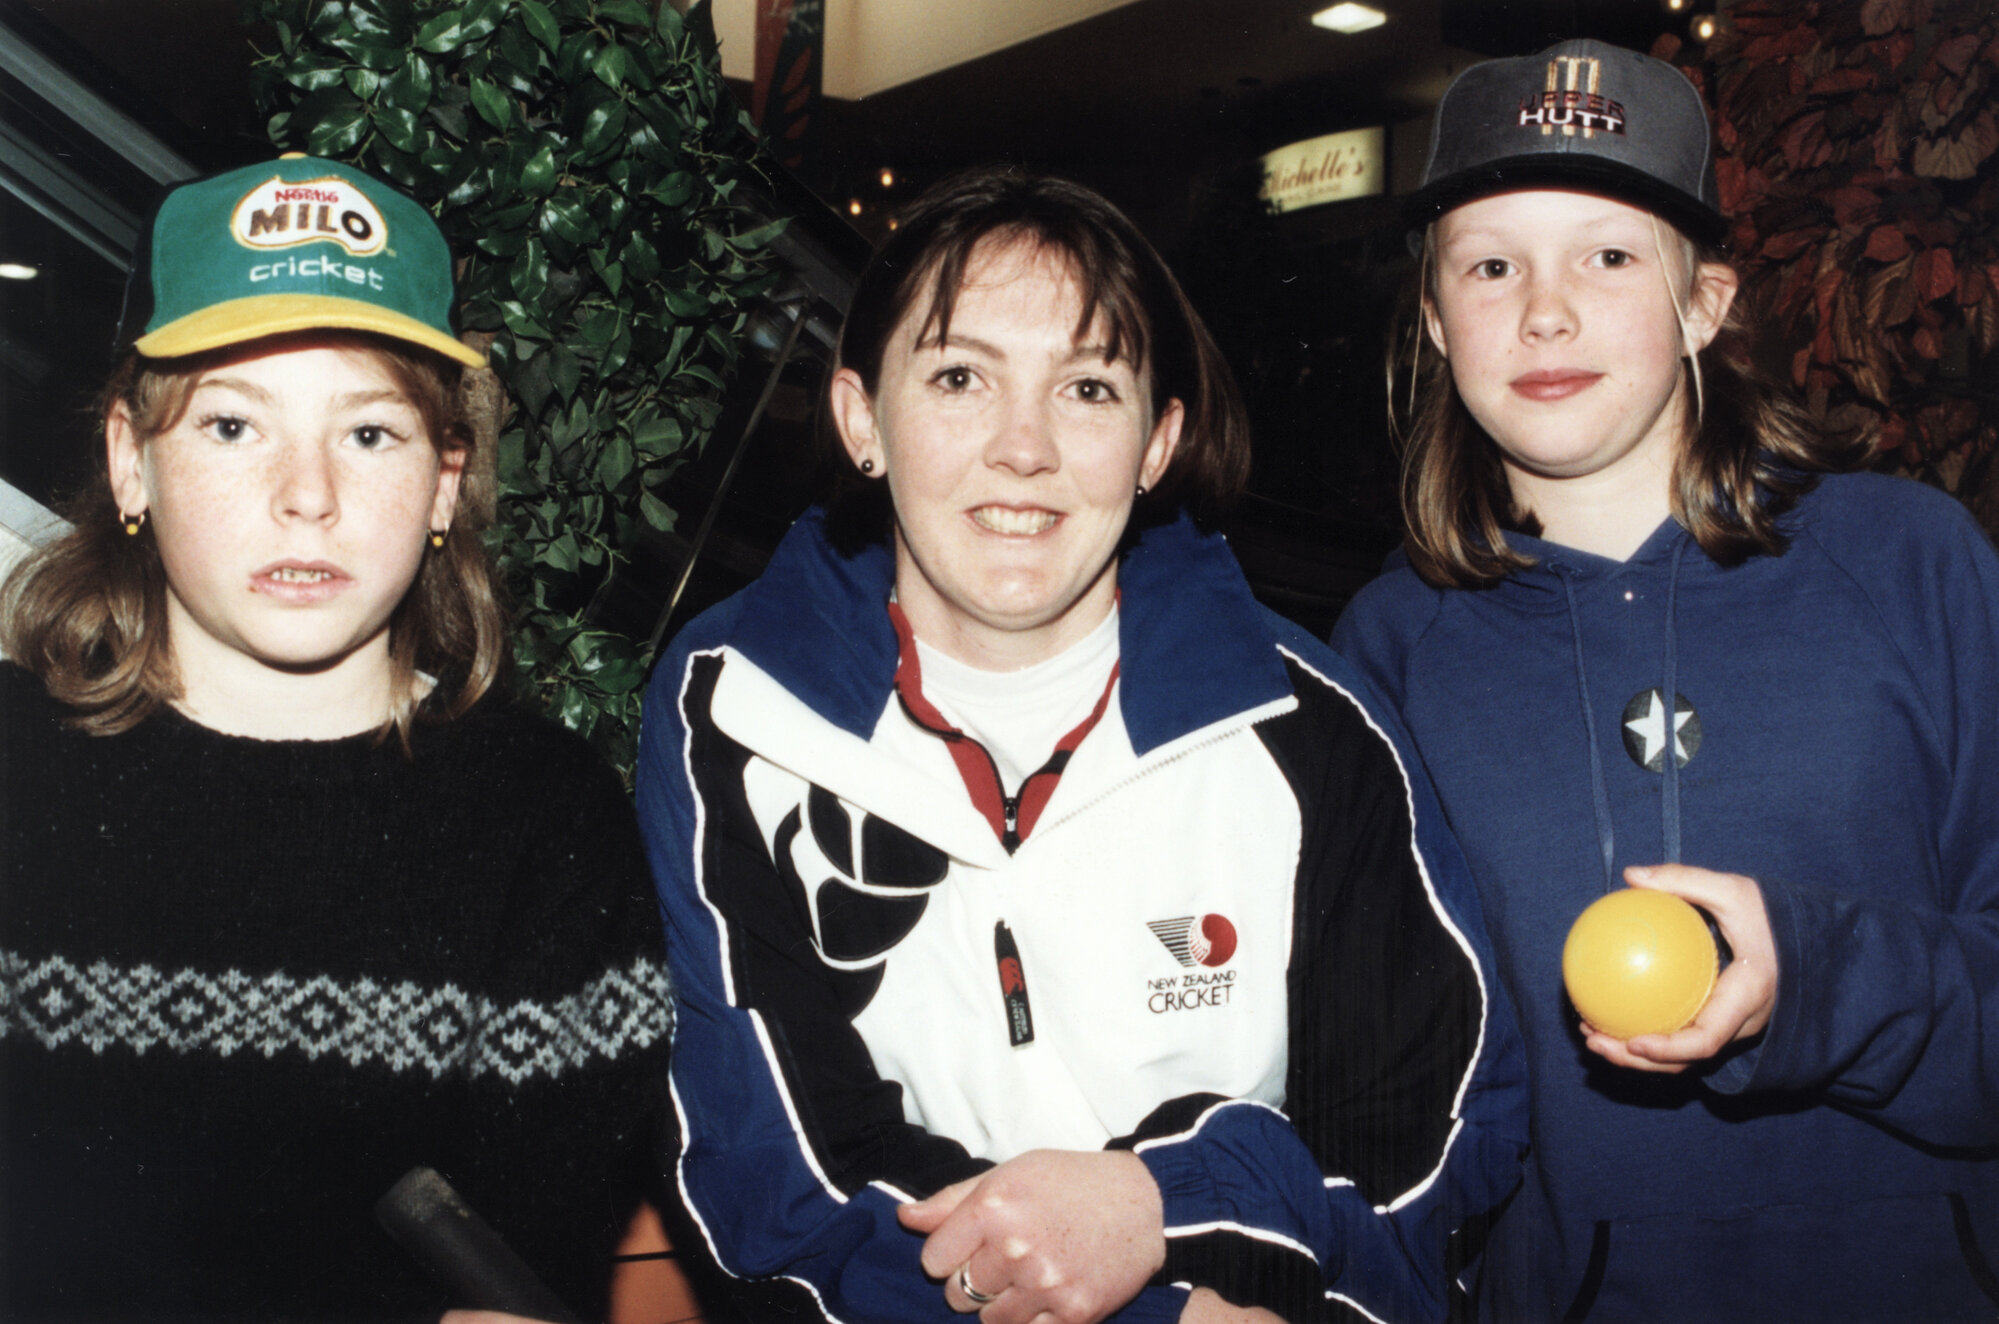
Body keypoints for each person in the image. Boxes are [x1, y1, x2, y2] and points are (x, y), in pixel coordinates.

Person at [636, 165, 1526, 1324]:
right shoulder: (735, 709)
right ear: (862, 419)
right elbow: (766, 1180)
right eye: (959, 376)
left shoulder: (1308, 726)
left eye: (1089, 389)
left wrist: (1170, 1204)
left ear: (1158, 443)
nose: (1024, 447)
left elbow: (1434, 1144)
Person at [1333, 38, 1999, 1323]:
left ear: (1704, 304)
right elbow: (1386, 1088)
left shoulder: (1912, 565)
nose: (1544, 310)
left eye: (1609, 254)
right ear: (1433, 321)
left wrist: (1812, 981)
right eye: (1489, 264)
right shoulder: (1387, 653)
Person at [0, 154, 673, 1321]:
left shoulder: (550, 830)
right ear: (129, 460)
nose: (306, 493)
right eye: (230, 425)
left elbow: (529, 1266)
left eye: (369, 434)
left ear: (446, 480)